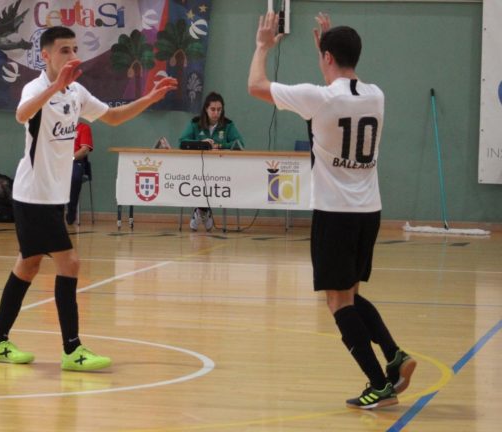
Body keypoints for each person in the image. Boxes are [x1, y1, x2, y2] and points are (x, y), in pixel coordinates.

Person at [247, 12, 416, 409]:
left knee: (337, 303)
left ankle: (378, 383)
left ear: (326, 58)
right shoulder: (376, 94)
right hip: (368, 211)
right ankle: (395, 356)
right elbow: (341, 85)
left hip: (335, 213)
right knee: (352, 295)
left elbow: (255, 85)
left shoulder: (319, 98)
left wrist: (261, 47)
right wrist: (326, 52)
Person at [0, 26, 177, 372]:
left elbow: (114, 117)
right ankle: (72, 350)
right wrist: (55, 87)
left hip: (50, 196)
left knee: (27, 266)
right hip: (34, 194)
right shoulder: (37, 87)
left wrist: (149, 98)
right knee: (69, 262)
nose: (72, 56)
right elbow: (22, 114)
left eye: (74, 49)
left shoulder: (75, 92)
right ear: (45, 56)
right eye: (63, 50)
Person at [178, 91, 244, 231]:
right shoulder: (195, 124)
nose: (216, 113)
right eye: (213, 109)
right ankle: (204, 211)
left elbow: (240, 144)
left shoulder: (228, 125)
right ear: (206, 109)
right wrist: (202, 143)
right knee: (201, 181)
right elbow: (182, 142)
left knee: (211, 182)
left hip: (221, 170)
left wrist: (219, 146)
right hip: (196, 169)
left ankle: (201, 211)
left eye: (219, 110)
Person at [66, 122, 93, 225]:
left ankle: (71, 212)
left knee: (75, 177)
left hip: (75, 161)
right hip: (57, 161)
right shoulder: (57, 127)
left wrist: (70, 158)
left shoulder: (83, 127)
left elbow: (84, 150)